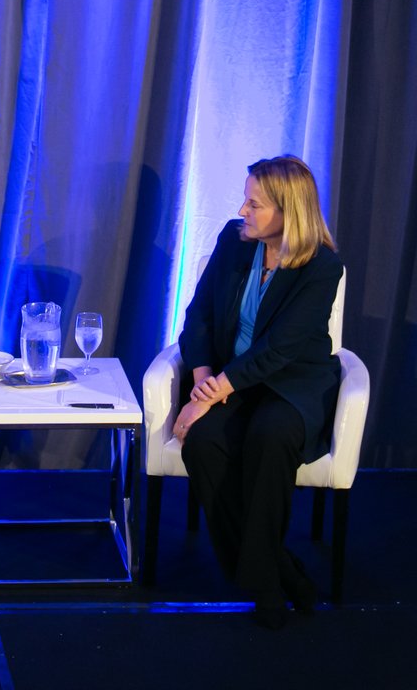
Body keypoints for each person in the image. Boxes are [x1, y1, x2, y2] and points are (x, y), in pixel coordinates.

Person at [173, 155, 342, 629]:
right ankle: (278, 570)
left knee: (270, 437)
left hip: (292, 386)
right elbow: (198, 316)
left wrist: (206, 395)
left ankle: (263, 587)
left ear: (289, 213)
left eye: (256, 204)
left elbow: (280, 349)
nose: (242, 210)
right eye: (246, 200)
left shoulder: (322, 267)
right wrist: (203, 381)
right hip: (231, 382)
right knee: (203, 444)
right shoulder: (234, 239)